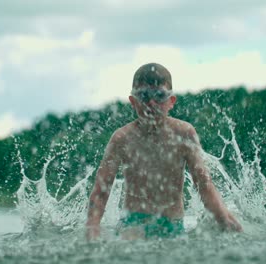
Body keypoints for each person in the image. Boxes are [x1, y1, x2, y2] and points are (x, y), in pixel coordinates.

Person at [86, 63, 242, 240]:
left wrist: (222, 218)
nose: (151, 103)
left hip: (173, 224)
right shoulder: (122, 138)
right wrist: (92, 228)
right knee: (131, 240)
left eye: (159, 96)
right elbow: (101, 189)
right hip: (133, 222)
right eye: (143, 96)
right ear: (133, 101)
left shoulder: (184, 133)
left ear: (171, 101)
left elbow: (203, 183)